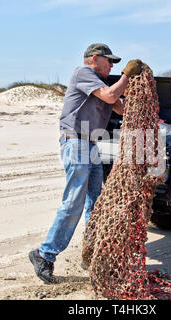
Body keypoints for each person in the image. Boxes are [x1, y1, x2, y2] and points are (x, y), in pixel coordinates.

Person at [29, 43, 143, 283]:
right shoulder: (83, 73)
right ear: (94, 58)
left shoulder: (100, 84)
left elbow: (120, 107)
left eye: (115, 63)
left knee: (96, 203)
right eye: (109, 61)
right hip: (76, 141)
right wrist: (125, 75)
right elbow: (111, 96)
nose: (112, 65)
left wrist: (135, 90)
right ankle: (44, 254)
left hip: (90, 145)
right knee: (74, 201)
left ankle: (91, 254)